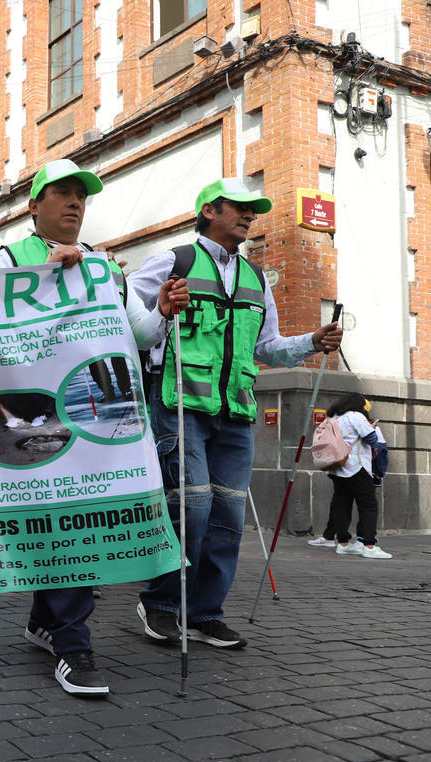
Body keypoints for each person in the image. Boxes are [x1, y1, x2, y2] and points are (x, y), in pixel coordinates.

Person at [0, 159, 188, 696]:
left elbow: (136, 335)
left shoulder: (104, 266)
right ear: (34, 206)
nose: (75, 203)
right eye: (62, 194)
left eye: (82, 195)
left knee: (72, 526)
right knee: (59, 526)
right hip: (37, 419)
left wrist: (163, 312)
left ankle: (50, 626)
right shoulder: (9, 257)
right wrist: (48, 274)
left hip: (94, 419)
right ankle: (73, 646)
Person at [130, 178, 343, 648]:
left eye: (253, 210)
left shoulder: (255, 278)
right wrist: (161, 312)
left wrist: (312, 341)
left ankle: (205, 612)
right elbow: (126, 317)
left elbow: (268, 347)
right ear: (209, 210)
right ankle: (160, 603)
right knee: (193, 506)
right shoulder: (173, 261)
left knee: (227, 514)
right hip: (179, 404)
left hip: (236, 412)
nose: (249, 216)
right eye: (239, 207)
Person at [308, 393, 391, 558]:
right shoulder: (356, 416)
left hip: (337, 467)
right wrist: (372, 428)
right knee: (368, 505)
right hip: (356, 466)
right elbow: (371, 438)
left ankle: (343, 543)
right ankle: (368, 546)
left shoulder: (334, 417)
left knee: (341, 504)